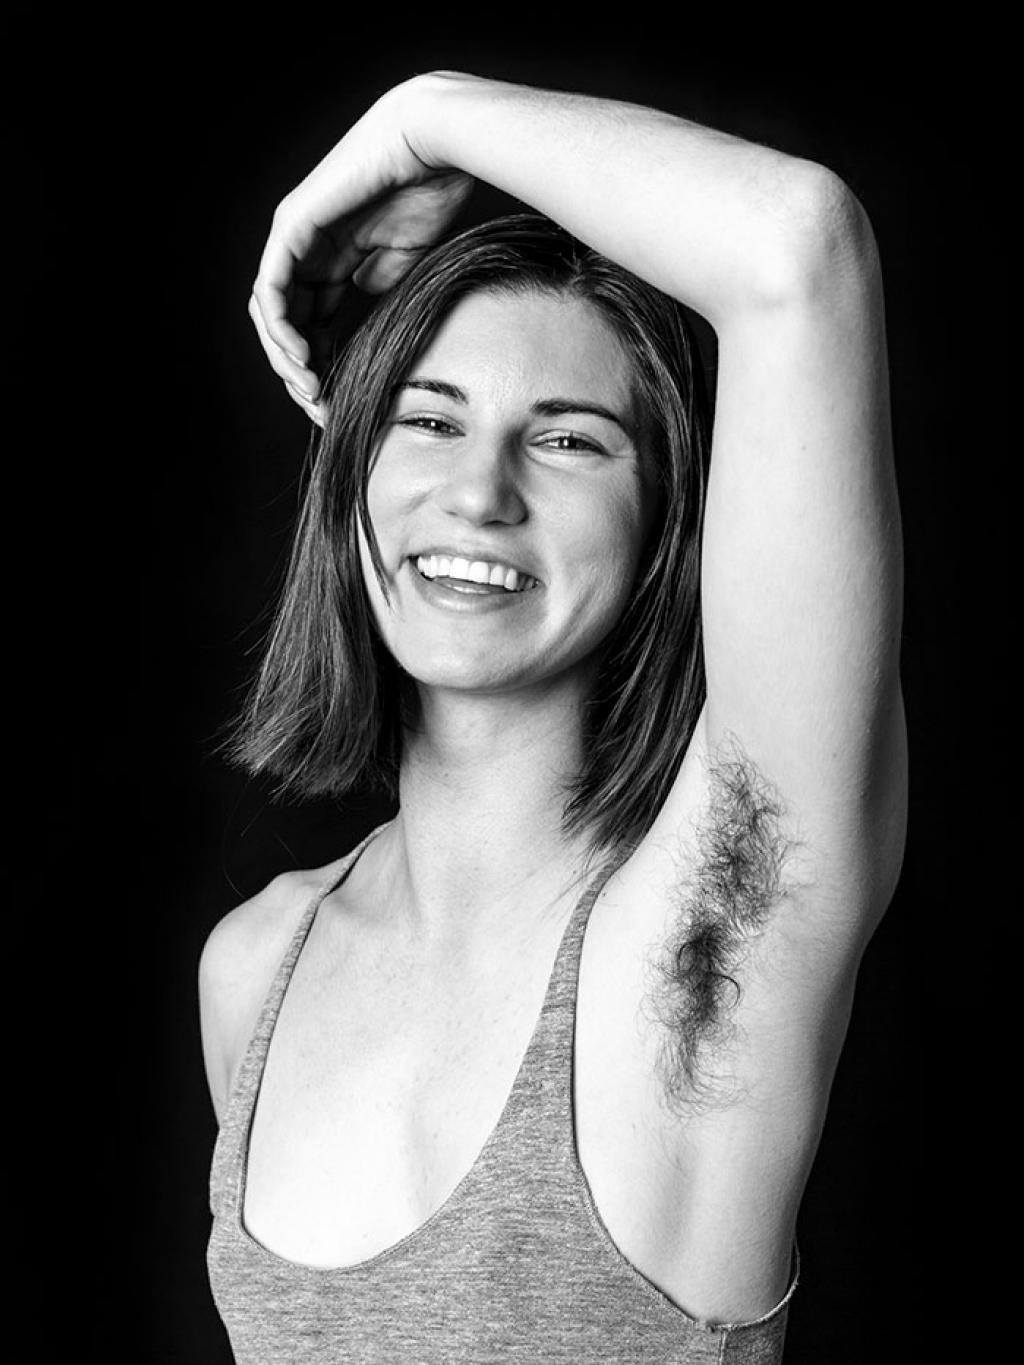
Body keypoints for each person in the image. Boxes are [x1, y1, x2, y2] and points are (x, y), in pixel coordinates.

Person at [199, 71, 907, 1363]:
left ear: (663, 529)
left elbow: (797, 247)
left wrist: (422, 115)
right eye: (428, 419)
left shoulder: (717, 924)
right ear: (352, 473)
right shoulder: (255, 969)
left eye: (570, 440)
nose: (480, 492)